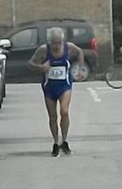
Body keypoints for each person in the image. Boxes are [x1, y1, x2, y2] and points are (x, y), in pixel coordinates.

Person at [28, 28, 85, 157]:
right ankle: (55, 142)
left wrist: (80, 69)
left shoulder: (69, 48)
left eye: (58, 43)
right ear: (50, 42)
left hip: (65, 85)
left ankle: (64, 140)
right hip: (49, 87)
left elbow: (80, 52)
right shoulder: (43, 50)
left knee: (64, 111)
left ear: (63, 41)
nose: (56, 46)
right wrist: (41, 67)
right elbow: (30, 64)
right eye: (54, 43)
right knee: (52, 116)